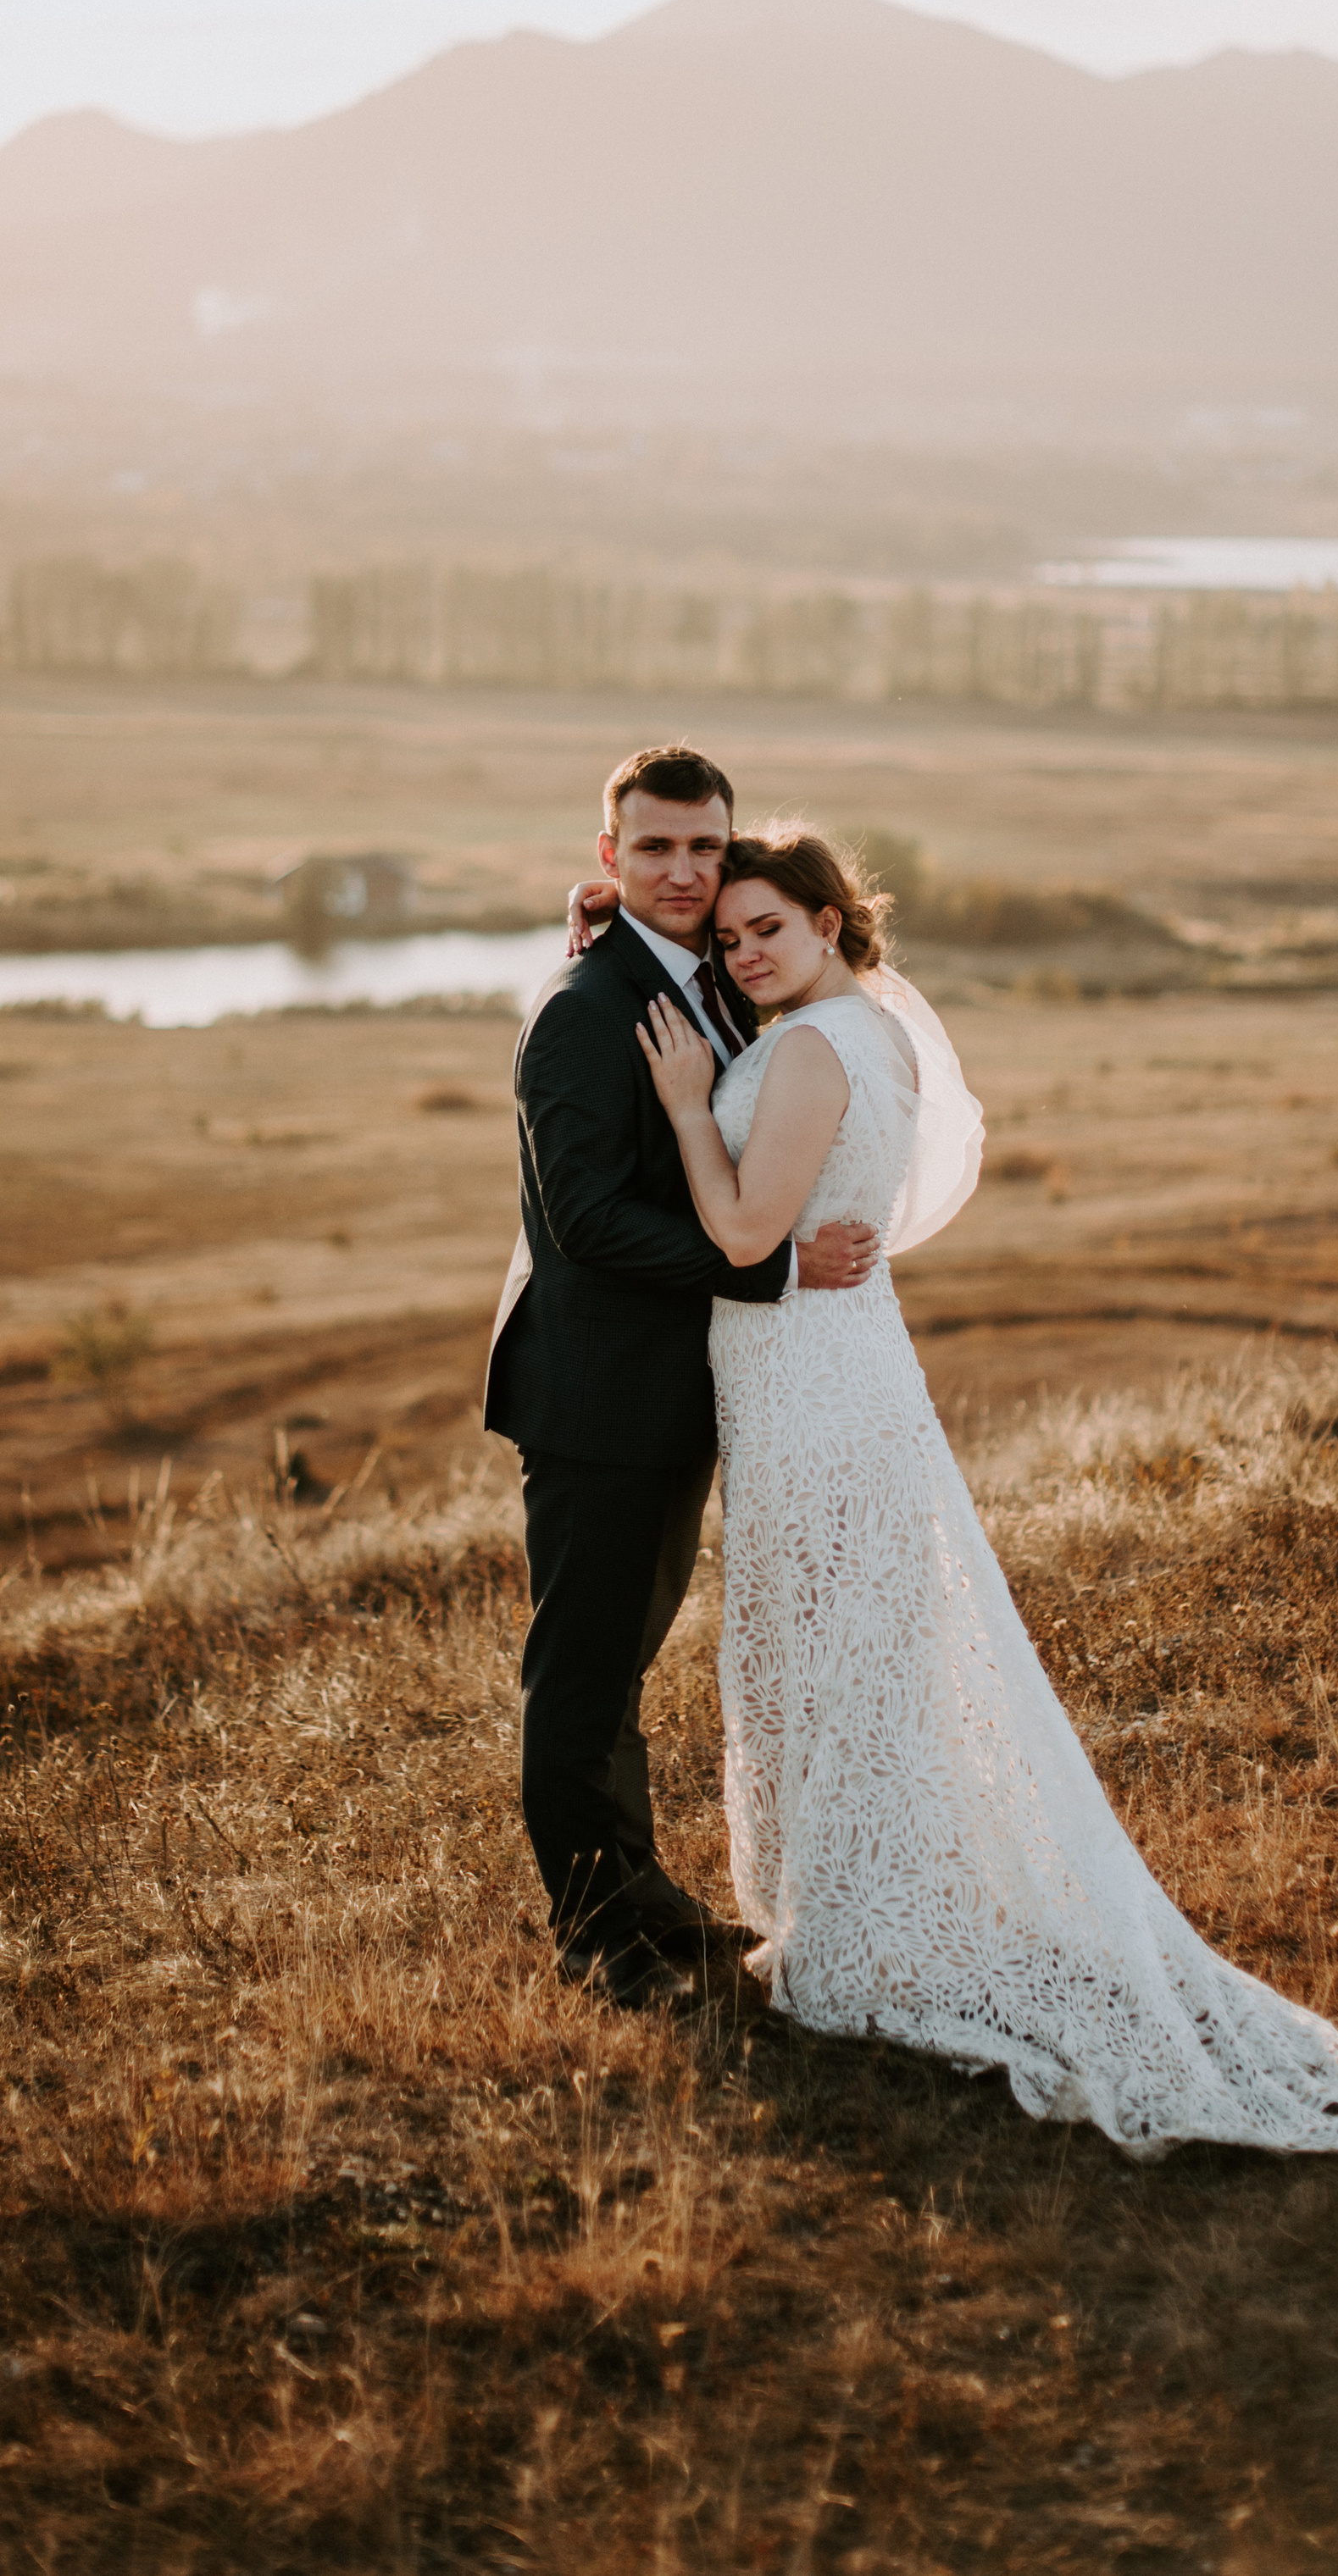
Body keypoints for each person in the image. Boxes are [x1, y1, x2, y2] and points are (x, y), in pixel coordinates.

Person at [622, 820, 1338, 2159]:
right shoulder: (864, 1033)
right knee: (852, 1651)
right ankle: (861, 1911)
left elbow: (746, 1232)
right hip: (832, 1372)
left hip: (815, 1384)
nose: (745, 950)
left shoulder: (816, 1046)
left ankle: (859, 1941)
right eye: (730, 935)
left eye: (770, 925)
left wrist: (677, 1106)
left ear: (833, 922)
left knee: (834, 1650)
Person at [483, 747, 880, 2014]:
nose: (683, 870)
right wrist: (774, 1272)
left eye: (703, 848)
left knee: (622, 1664)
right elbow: (587, 1222)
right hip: (595, 1396)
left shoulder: (708, 978)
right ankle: (597, 1937)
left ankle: (640, 1898)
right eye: (653, 848)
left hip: (667, 1394)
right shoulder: (583, 1010)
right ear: (610, 856)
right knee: (583, 1671)